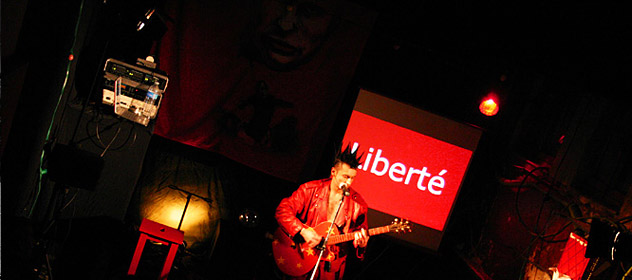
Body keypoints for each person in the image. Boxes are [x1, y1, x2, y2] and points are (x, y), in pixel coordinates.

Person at [275, 145, 369, 279]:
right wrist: (303, 231)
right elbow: (282, 211)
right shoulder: (310, 189)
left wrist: (361, 245)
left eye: (352, 178)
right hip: (301, 258)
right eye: (345, 176)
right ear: (333, 172)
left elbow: (359, 240)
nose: (348, 182)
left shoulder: (359, 205)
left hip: (329, 269)